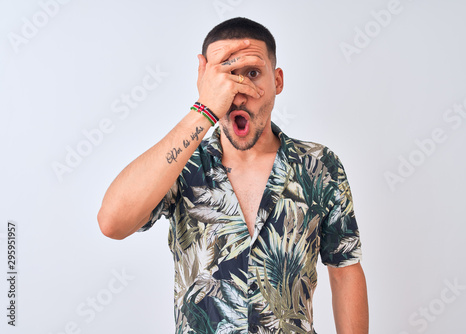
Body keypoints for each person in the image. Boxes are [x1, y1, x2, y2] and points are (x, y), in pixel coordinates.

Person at [98, 17, 368, 334]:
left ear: (277, 80)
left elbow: (344, 269)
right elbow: (113, 223)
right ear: (205, 82)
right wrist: (203, 110)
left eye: (252, 73)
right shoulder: (180, 164)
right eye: (225, 75)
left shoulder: (319, 165)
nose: (238, 93)